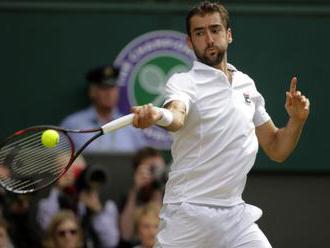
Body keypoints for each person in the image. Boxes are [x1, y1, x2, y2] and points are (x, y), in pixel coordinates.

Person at [131, 1, 310, 247]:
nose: (209, 38)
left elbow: (277, 148)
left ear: (228, 35)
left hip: (235, 216)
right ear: (189, 42)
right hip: (187, 212)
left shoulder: (247, 84)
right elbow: (177, 116)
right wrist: (159, 116)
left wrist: (296, 120)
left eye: (215, 30)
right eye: (199, 33)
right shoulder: (183, 82)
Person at [61, 65, 147, 153]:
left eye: (113, 87)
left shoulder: (131, 125)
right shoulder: (73, 124)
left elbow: (145, 157)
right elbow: (58, 157)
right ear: (92, 92)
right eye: (104, 88)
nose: (109, 93)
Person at [119, 147, 166, 246]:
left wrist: (157, 187)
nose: (157, 173)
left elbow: (162, 230)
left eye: (160, 169)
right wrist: (135, 190)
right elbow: (126, 234)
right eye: (153, 169)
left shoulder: (170, 194)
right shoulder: (129, 196)